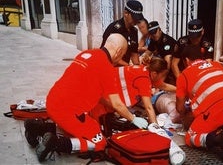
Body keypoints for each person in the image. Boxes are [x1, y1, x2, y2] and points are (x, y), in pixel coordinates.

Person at [24, 33, 148, 162]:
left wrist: (115, 108)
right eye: (123, 55)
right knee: (100, 143)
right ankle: (56, 143)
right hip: (67, 112)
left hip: (51, 102)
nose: (121, 59)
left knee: (76, 128)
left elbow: (97, 94)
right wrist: (133, 118)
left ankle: (40, 128)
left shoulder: (86, 54)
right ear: (118, 51)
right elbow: (117, 103)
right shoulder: (107, 68)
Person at [175, 45, 223, 162]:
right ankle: (219, 129)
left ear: (186, 60)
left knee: (189, 138)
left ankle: (218, 138)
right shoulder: (216, 64)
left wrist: (187, 115)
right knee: (212, 113)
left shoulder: (184, 76)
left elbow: (180, 109)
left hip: (216, 109)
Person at [91, 57, 176, 125]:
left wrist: (181, 90)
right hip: (100, 100)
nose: (163, 78)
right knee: (98, 132)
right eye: (163, 75)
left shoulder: (145, 70)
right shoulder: (143, 79)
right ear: (154, 74)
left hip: (103, 94)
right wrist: (156, 128)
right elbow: (149, 107)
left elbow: (163, 85)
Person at [100, 0, 144, 66]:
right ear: (126, 13)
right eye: (134, 18)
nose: (136, 21)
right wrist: (128, 67)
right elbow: (107, 54)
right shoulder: (114, 28)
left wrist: (137, 67)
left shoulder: (134, 31)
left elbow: (134, 53)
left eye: (138, 18)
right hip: (110, 66)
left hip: (124, 68)